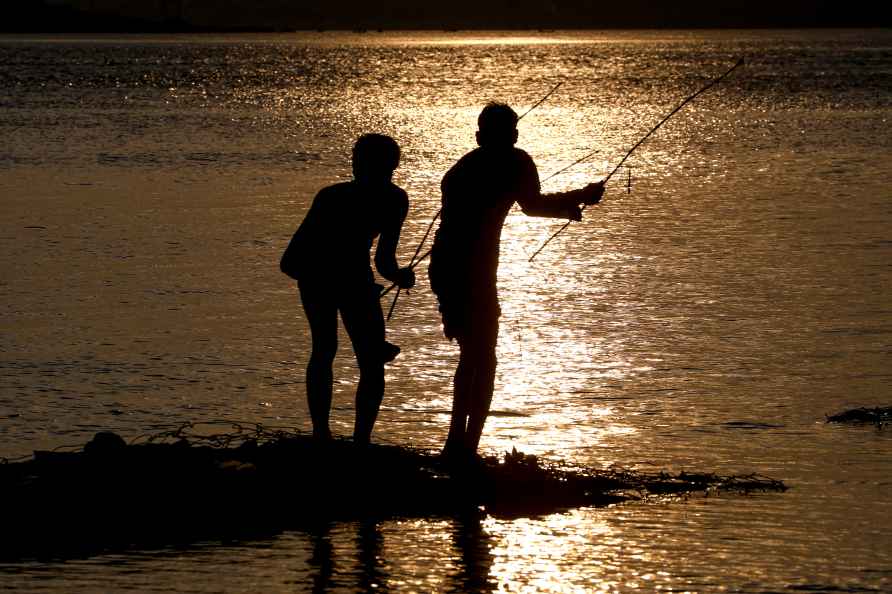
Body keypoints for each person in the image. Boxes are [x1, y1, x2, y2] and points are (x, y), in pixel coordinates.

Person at [429, 103, 604, 459]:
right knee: (485, 358)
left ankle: (455, 442)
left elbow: (521, 205)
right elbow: (532, 204)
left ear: (480, 135)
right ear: (512, 134)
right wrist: (582, 195)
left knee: (471, 355)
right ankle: (467, 446)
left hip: (445, 264)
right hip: (474, 270)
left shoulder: (464, 165)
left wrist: (566, 209)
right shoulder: (516, 160)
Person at [281, 133, 415, 445]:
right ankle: (359, 441)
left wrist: (395, 275)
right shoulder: (394, 199)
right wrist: (400, 276)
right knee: (369, 361)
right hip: (349, 281)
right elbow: (385, 262)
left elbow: (292, 256)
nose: (355, 165)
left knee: (324, 350)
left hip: (322, 279)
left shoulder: (332, 196)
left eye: (358, 159)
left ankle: (322, 436)